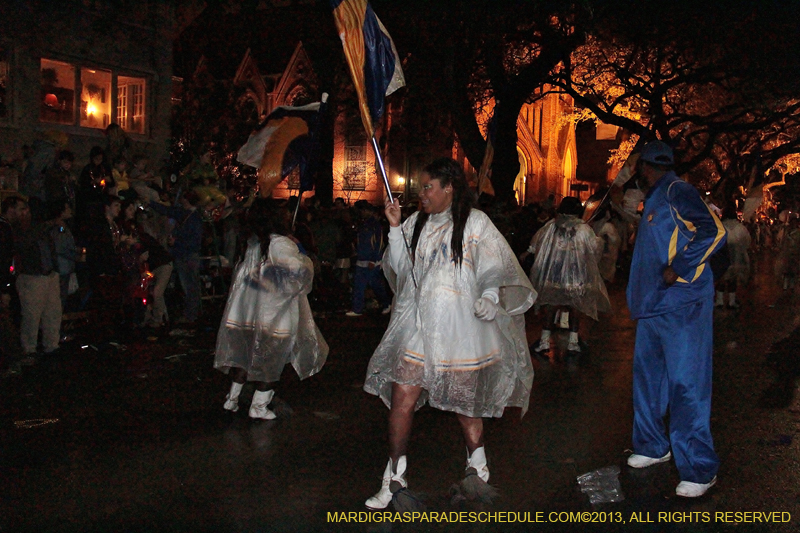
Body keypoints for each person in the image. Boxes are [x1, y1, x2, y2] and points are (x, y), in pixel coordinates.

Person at [363, 158, 536, 509]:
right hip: (420, 327)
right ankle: (394, 476)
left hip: (462, 329)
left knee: (465, 404)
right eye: (421, 187)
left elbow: (491, 266)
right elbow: (400, 268)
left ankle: (478, 464)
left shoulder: (476, 222)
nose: (421, 193)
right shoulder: (416, 222)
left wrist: (488, 295)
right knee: (402, 398)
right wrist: (395, 229)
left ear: (449, 188)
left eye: (428, 187)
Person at [626, 140, 726, 498]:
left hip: (683, 305)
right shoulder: (655, 196)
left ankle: (699, 468)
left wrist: (680, 268)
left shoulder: (677, 190)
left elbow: (714, 231)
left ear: (644, 166)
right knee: (649, 380)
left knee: (687, 385)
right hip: (653, 307)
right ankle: (653, 446)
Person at [214, 199, 328, 419]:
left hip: (246, 314)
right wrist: (304, 258)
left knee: (244, 357)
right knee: (271, 360)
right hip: (274, 315)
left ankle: (232, 399)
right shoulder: (279, 244)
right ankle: (259, 406)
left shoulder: (252, 243)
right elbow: (298, 273)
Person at [526, 196, 610, 357]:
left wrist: (528, 253)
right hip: (576, 277)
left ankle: (544, 341)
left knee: (550, 305)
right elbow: (594, 249)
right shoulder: (584, 229)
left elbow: (536, 243)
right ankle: (573, 342)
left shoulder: (551, 226)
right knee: (575, 307)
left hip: (553, 276)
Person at [148, 190, 203, 325]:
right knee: (190, 286)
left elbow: (195, 241)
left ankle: (191, 315)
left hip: (188, 256)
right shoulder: (186, 215)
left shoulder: (194, 218)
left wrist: (176, 242)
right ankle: (192, 314)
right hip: (183, 255)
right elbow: (168, 210)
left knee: (189, 286)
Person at [346, 201, 392, 316]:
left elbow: (378, 243)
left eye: (363, 210)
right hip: (362, 258)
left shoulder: (375, 225)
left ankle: (386, 303)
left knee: (374, 284)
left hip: (371, 260)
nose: (361, 213)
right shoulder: (363, 224)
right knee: (360, 284)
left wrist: (374, 259)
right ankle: (357, 308)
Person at [716, 206, 751, 308]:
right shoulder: (740, 227)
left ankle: (719, 301)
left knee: (721, 278)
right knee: (733, 279)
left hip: (722, 256)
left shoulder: (720, 226)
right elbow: (747, 241)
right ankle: (731, 302)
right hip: (737, 257)